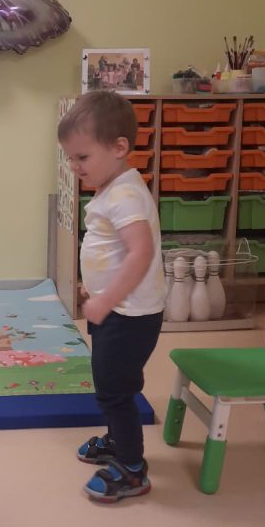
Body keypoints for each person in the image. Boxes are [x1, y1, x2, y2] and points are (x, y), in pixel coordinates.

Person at [58, 91, 165, 502]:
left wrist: (104, 300)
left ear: (119, 147)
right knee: (113, 380)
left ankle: (132, 469)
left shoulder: (124, 195)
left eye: (82, 157)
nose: (75, 166)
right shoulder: (114, 188)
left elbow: (141, 253)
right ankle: (120, 439)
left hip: (128, 314)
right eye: (71, 158)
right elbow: (113, 250)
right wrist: (96, 289)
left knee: (113, 389)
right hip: (117, 309)